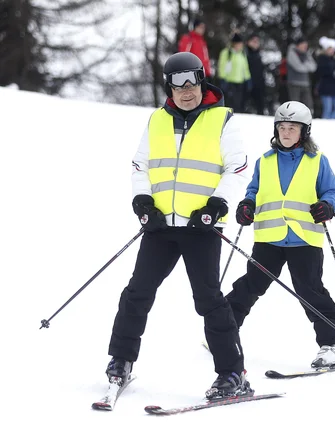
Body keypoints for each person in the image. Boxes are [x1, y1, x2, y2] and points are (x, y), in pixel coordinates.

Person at [105, 52, 252, 400]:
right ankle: (121, 361)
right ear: (169, 86)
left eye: (191, 81)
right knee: (137, 293)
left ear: (201, 80)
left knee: (209, 300)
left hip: (200, 227)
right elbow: (140, 165)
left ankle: (233, 373)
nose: (186, 89)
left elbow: (238, 168)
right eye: (177, 82)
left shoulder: (222, 120)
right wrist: (142, 202)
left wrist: (217, 205)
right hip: (161, 227)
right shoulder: (157, 120)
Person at [225, 101, 335, 369]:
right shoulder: (265, 161)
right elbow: (254, 191)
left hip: (304, 238)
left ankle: (334, 344)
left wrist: (327, 206)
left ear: (304, 131)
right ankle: (223, 329)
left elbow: (331, 191)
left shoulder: (317, 161)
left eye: (292, 128)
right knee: (251, 285)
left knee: (310, 291)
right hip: (269, 237)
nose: (286, 132)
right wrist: (247, 206)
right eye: (282, 127)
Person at [218, 33, 251, 113]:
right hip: (229, 82)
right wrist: (222, 79)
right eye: (239, 43)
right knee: (231, 104)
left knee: (238, 104)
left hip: (240, 82)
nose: (240, 45)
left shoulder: (242, 54)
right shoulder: (226, 53)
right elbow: (222, 66)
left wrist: (248, 79)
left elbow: (245, 68)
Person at [317, 36, 335, 119]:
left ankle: (331, 122)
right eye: (330, 49)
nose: (332, 51)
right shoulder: (322, 59)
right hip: (325, 87)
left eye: (333, 49)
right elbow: (321, 72)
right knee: (328, 109)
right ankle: (326, 124)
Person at [286, 37, 317, 111]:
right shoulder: (292, 53)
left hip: (305, 83)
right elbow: (298, 67)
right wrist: (307, 66)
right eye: (303, 45)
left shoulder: (306, 54)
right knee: (294, 104)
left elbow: (314, 67)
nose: (305, 47)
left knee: (308, 104)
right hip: (294, 82)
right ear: (298, 45)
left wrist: (305, 65)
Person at [246, 34, 267, 115]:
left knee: (260, 105)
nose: (255, 43)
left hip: (259, 82)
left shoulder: (260, 54)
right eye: (253, 41)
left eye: (257, 41)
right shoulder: (245, 53)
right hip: (248, 82)